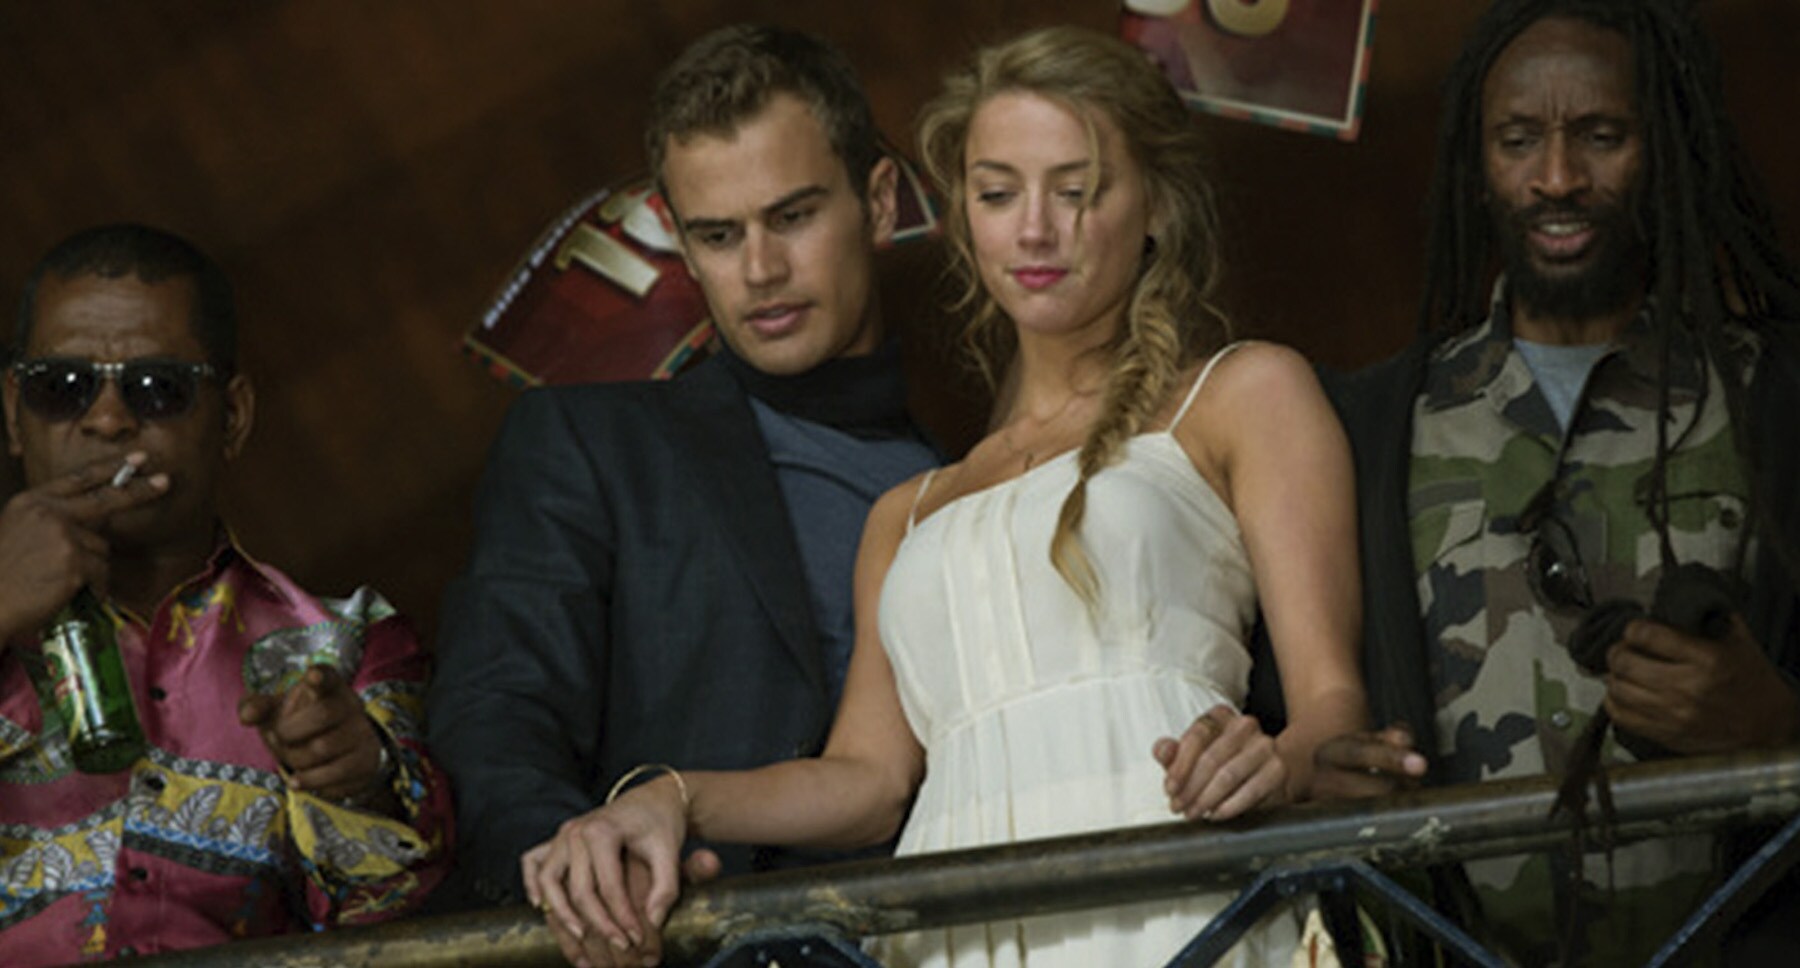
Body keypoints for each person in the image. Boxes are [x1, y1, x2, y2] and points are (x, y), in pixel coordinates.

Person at [521, 25, 1369, 968]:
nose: (1035, 229)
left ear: (1157, 201)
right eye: (998, 192)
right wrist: (667, 795)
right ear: (962, 215)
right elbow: (868, 781)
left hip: (1179, 897)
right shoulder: (909, 510)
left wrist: (1276, 766)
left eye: (1076, 190)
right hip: (953, 928)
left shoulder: (1245, 394)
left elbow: (1336, 706)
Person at [1314, 0, 1800, 962]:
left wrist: (1779, 727)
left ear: (1669, 147)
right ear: (1476, 163)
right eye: (1519, 140)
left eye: (1603, 136)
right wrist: (1324, 765)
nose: (1558, 177)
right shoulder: (1372, 426)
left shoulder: (1777, 398)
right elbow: (1300, 716)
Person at [425, 23, 940, 912]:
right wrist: (586, 875)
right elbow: (496, 721)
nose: (761, 270)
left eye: (794, 216)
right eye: (718, 234)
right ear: (680, 241)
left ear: (882, 201)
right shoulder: (589, 443)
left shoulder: (982, 487)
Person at [0, 223, 452, 964]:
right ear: (12, 410)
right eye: (62, 387)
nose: (107, 419)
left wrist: (361, 782)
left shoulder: (344, 642)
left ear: (232, 417)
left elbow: (401, 925)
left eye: (157, 389)